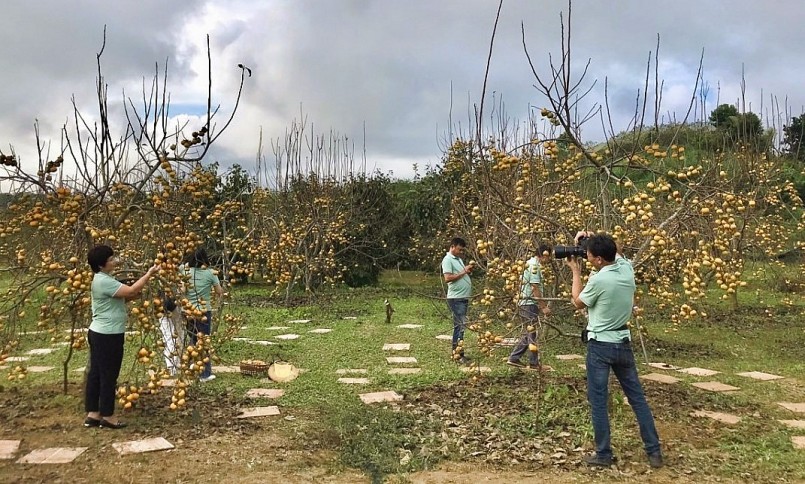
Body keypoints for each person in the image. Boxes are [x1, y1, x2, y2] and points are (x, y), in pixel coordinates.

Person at [564, 232, 663, 468]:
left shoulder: (600, 280)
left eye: (588, 254)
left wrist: (575, 272)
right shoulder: (627, 269)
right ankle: (654, 451)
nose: (585, 256)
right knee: (638, 399)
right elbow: (615, 250)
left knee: (598, 401)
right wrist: (592, 238)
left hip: (600, 346)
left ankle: (603, 454)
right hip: (623, 344)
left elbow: (577, 301)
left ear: (598, 259)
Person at [85, 245, 160, 429]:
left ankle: (93, 414)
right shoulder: (104, 281)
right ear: (101, 265)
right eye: (111, 259)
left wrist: (132, 295)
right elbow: (131, 290)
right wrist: (149, 274)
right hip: (108, 335)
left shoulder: (102, 279)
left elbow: (121, 297)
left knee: (96, 373)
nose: (114, 261)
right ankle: (108, 416)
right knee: (109, 375)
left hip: (99, 333)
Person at [507, 243, 552, 370]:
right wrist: (543, 306)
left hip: (525, 302)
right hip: (529, 303)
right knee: (531, 334)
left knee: (529, 333)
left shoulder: (530, 263)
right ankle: (531, 363)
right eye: (547, 256)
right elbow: (534, 288)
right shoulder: (534, 267)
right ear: (543, 255)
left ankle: (516, 358)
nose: (548, 259)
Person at [181, 247, 223, 382]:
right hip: (204, 311)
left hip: (188, 311)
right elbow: (219, 291)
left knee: (193, 338)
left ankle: (194, 366)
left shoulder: (184, 271)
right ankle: (204, 374)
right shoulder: (211, 273)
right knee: (204, 341)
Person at [441, 237, 474, 364]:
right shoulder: (447, 260)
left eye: (462, 250)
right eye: (459, 249)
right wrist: (463, 271)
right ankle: (457, 355)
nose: (461, 252)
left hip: (463, 298)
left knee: (461, 326)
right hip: (456, 299)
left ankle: (460, 353)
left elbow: (460, 274)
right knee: (459, 326)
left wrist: (466, 272)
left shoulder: (458, 259)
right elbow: (448, 278)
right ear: (452, 246)